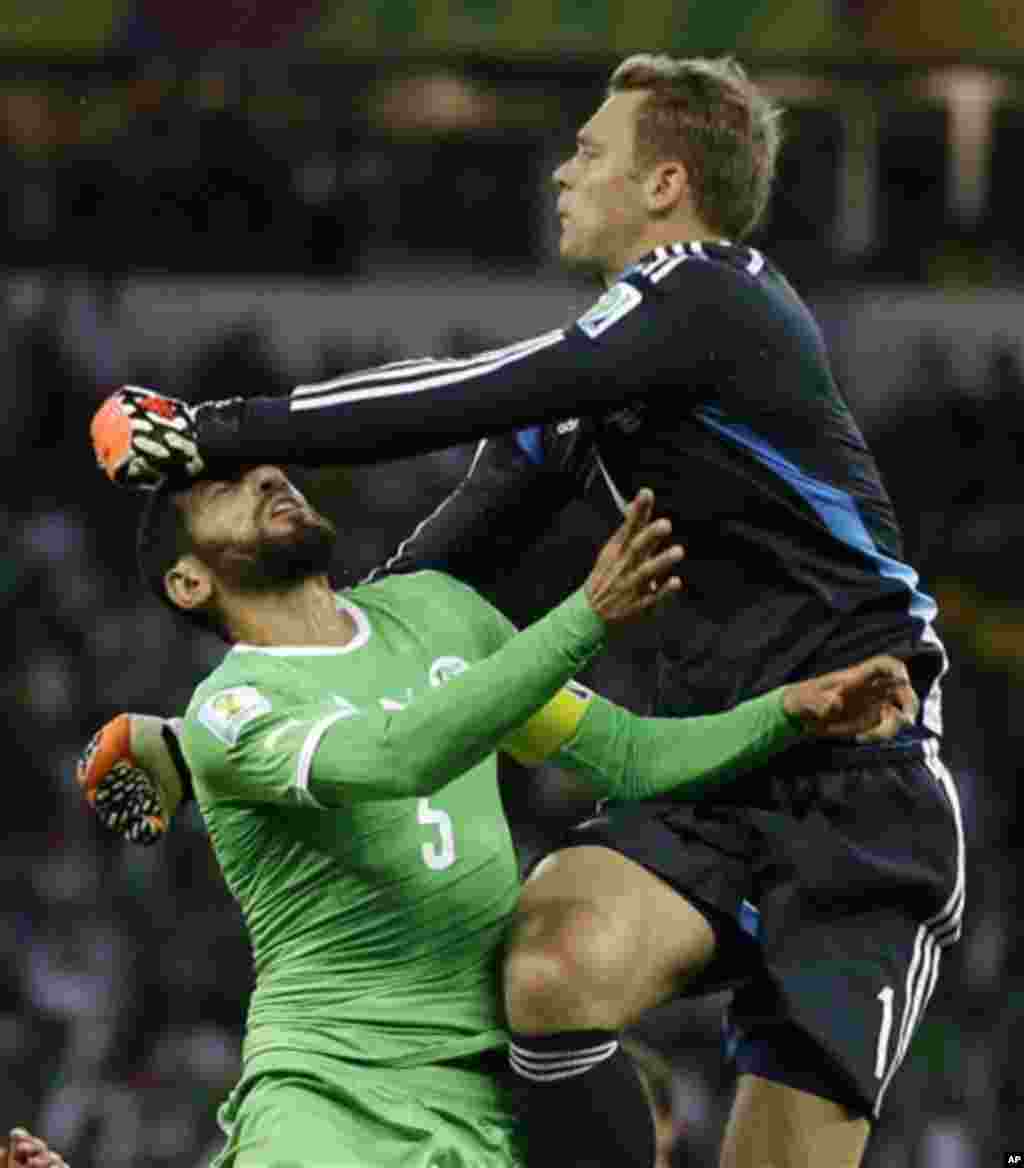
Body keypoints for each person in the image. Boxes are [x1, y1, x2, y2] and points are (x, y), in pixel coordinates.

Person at [88, 53, 963, 1168]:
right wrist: (209, 740)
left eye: (589, 150)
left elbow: (475, 392)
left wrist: (221, 429)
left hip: (862, 785)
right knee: (550, 965)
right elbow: (415, 595)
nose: (561, 172)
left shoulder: (712, 295)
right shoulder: (606, 376)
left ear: (664, 185)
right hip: (702, 775)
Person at [76, 463, 914, 1168]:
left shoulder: (440, 611)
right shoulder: (231, 710)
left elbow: (624, 756)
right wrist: (586, 616)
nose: (265, 474)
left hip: (494, 1111)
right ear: (190, 581)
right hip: (330, 1103)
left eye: (264, 466)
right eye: (226, 490)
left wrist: (786, 714)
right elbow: (397, 756)